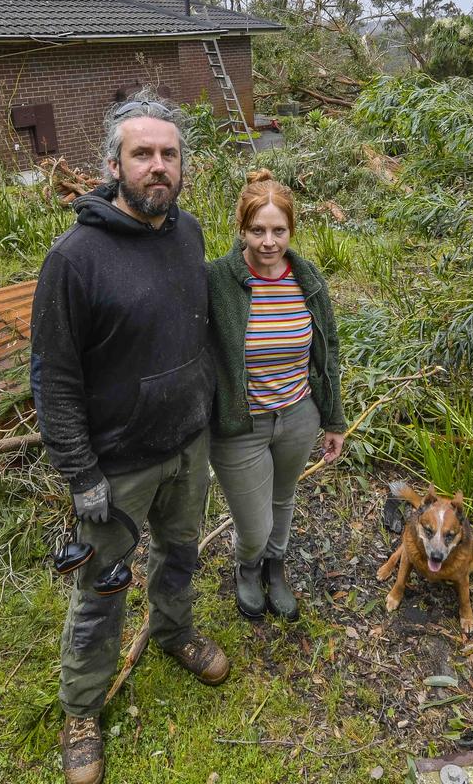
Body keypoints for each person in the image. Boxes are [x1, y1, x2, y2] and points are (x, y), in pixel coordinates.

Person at [30, 90, 229, 784]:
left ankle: (174, 633)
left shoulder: (190, 233)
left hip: (186, 446)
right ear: (113, 164)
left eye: (169, 154)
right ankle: (81, 708)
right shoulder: (74, 258)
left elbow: (197, 333)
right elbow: (53, 377)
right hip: (116, 467)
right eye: (142, 153)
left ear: (183, 167)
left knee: (179, 556)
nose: (157, 166)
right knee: (102, 588)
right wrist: (80, 473)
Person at [207, 169, 346, 621]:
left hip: (297, 416)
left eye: (278, 230)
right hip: (239, 425)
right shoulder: (217, 281)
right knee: (255, 522)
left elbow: (327, 354)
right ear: (241, 229)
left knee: (283, 500)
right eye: (258, 230)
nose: (268, 241)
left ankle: (275, 567)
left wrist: (333, 421)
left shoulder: (307, 279)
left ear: (291, 229)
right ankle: (247, 564)